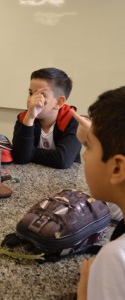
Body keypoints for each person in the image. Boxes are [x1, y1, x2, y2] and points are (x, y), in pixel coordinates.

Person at [76, 86, 125, 300]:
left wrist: (84, 295)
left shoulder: (115, 259)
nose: (85, 157)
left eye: (89, 146)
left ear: (117, 168)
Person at [12, 67, 81, 169]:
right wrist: (30, 118)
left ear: (59, 102)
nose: (32, 100)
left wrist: (29, 152)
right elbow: (20, 156)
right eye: (31, 93)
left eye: (41, 95)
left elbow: (62, 160)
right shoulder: (25, 118)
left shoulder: (73, 121)